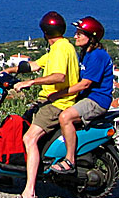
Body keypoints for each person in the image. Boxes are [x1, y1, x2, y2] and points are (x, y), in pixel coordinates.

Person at [1, 11, 79, 198]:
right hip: (49, 101)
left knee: (29, 138)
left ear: (45, 32)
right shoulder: (60, 47)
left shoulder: (61, 49)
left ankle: (29, 193)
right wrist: (8, 71)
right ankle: (8, 174)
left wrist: (31, 83)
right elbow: (35, 65)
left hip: (56, 103)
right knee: (23, 125)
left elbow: (59, 76)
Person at [49, 16, 114, 174]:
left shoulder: (97, 55)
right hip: (86, 97)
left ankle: (69, 160)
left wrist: (59, 94)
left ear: (91, 37)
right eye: (76, 32)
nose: (75, 36)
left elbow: (85, 84)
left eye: (80, 34)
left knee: (65, 117)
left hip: (96, 100)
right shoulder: (86, 53)